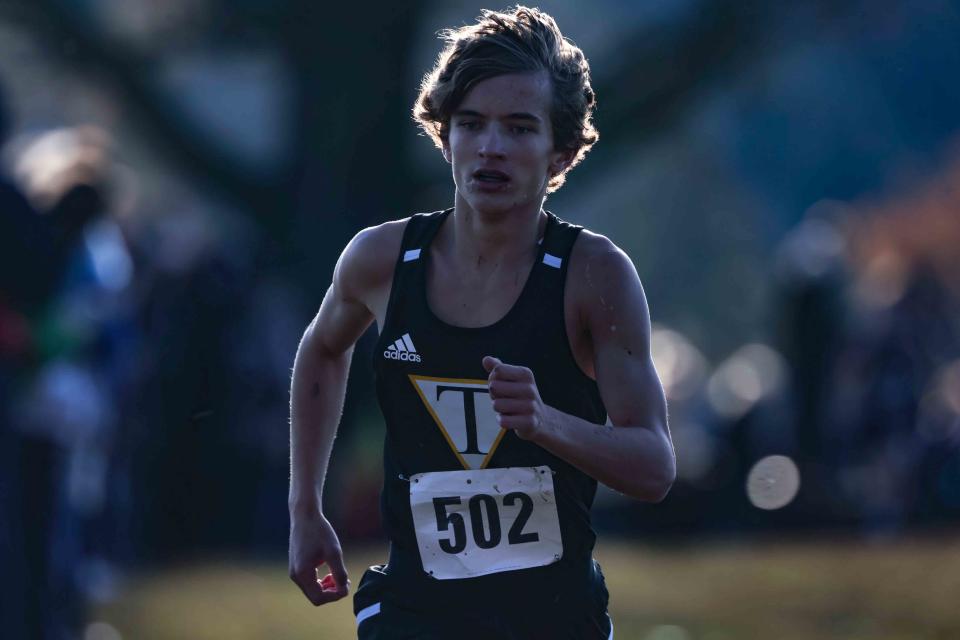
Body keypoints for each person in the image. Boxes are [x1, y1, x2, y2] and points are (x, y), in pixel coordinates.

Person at [289, 7, 675, 639]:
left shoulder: (593, 276)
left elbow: (654, 467)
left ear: (561, 151)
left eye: (520, 128)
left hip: (554, 620)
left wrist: (546, 422)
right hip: (416, 614)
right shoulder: (382, 261)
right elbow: (322, 352)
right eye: (471, 124)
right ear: (444, 136)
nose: (492, 147)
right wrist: (306, 508)